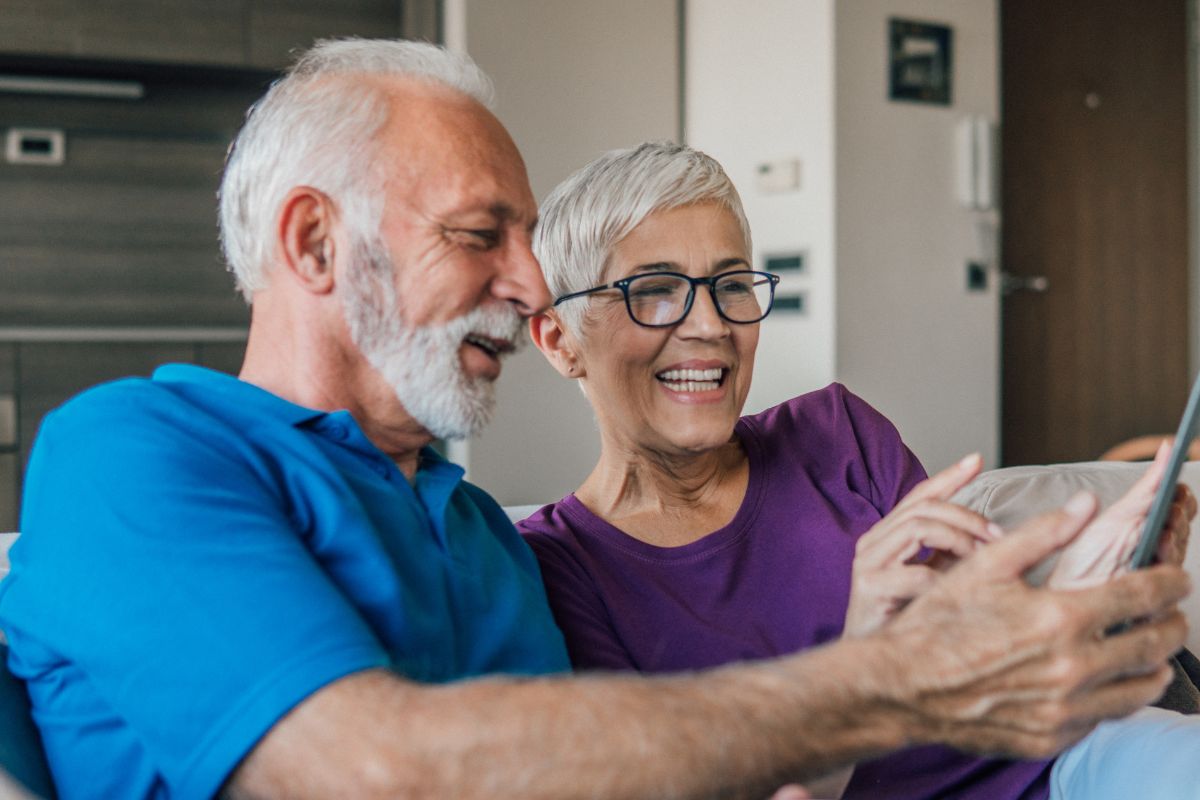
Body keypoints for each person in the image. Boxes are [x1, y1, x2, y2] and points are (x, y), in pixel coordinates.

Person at [0, 40, 1189, 800]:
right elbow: (367, 771)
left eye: (528, 243)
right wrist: (897, 676)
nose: (529, 289)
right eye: (483, 235)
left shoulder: (472, 532)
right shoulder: (134, 453)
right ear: (314, 242)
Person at [519, 141, 1200, 800]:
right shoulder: (557, 567)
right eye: (657, 291)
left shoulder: (835, 434)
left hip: (1057, 770)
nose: (710, 325)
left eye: (731, 285)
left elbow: (989, 652)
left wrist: (1093, 600)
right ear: (560, 340)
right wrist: (864, 657)